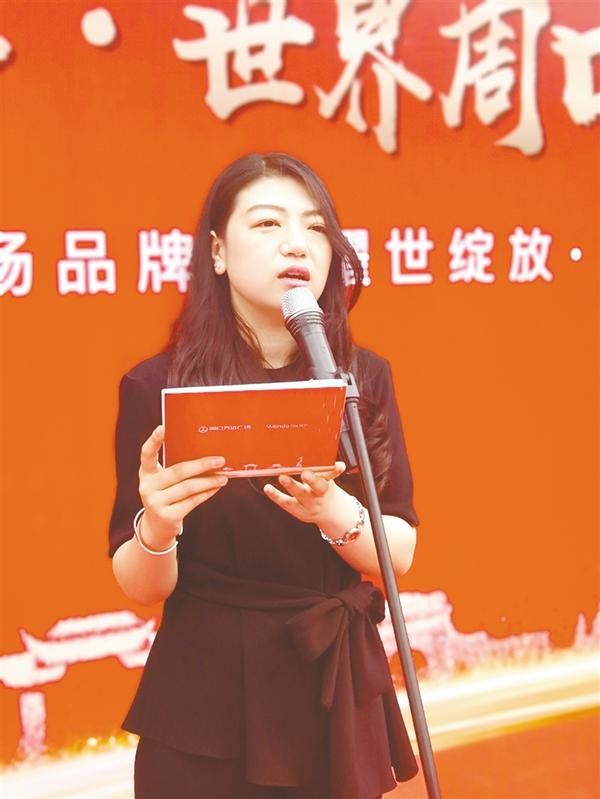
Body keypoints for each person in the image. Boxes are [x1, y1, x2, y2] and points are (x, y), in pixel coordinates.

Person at [109, 152, 420, 799]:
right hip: (206, 697)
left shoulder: (362, 378)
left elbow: (398, 553)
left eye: (315, 226)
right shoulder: (157, 385)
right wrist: (159, 525)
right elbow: (140, 584)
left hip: (332, 684)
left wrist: (329, 508)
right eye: (268, 223)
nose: (296, 243)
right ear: (218, 252)